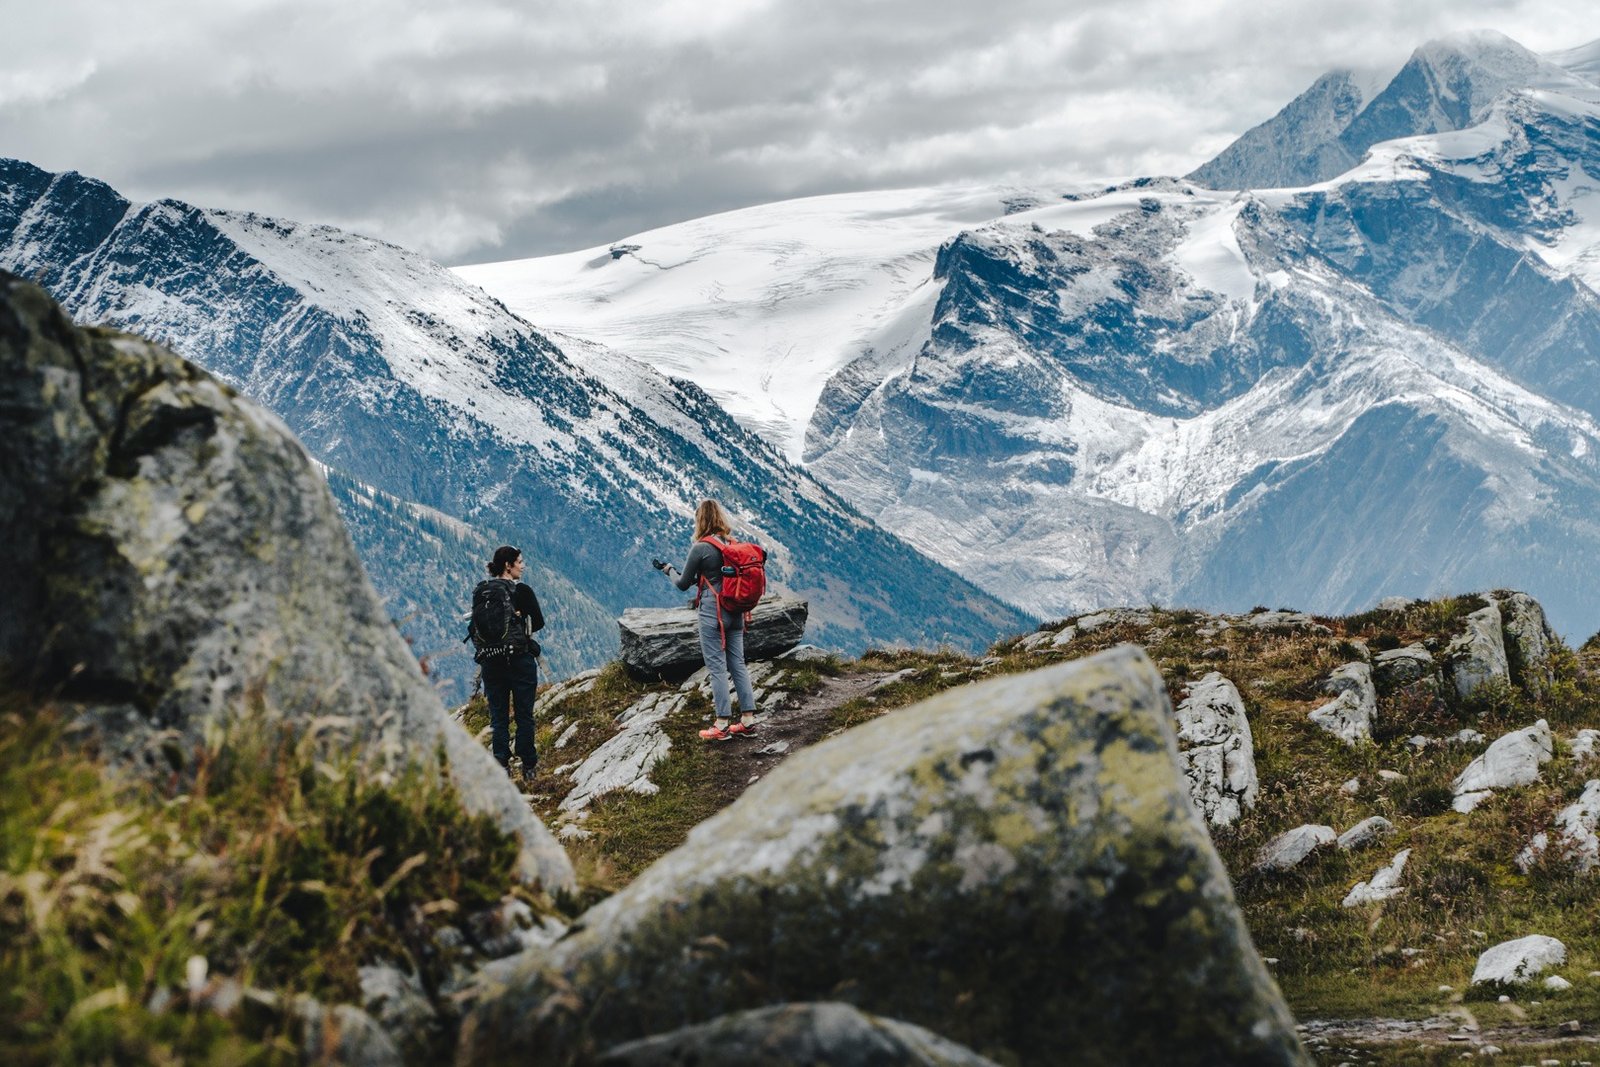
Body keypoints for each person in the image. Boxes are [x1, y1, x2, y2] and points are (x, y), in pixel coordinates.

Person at [658, 500, 757, 742]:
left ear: (700, 520)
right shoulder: (732, 545)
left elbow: (683, 584)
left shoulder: (701, 548)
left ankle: (722, 724)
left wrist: (669, 570)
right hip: (736, 611)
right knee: (738, 664)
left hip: (713, 613)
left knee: (716, 667)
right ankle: (747, 720)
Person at [480, 545, 544, 779]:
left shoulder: (484, 592)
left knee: (498, 716)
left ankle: (502, 766)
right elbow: (538, 622)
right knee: (524, 714)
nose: (523, 566)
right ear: (508, 565)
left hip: (491, 662)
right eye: (520, 561)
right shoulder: (522, 591)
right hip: (519, 661)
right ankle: (528, 766)